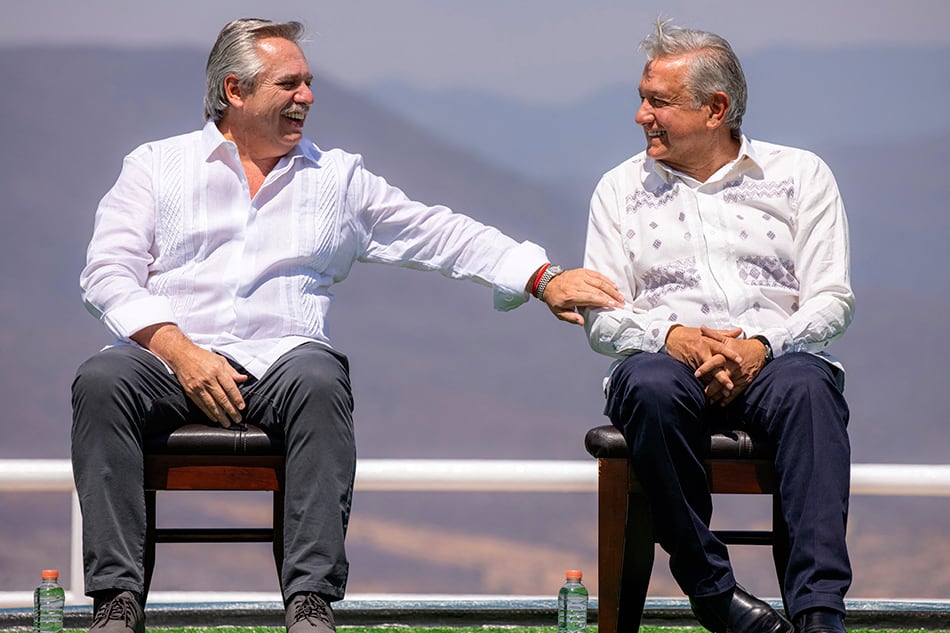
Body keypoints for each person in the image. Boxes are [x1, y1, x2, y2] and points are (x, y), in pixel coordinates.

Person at [70, 17, 623, 633]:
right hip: (166, 361)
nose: (307, 96)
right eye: (289, 84)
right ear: (235, 91)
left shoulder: (336, 179)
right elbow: (107, 273)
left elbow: (437, 232)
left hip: (283, 364)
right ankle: (116, 601)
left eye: (308, 82)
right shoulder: (155, 167)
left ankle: (310, 602)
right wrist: (177, 348)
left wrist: (540, 277)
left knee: (320, 379)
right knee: (101, 380)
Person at [581, 19, 854, 633]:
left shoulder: (800, 175)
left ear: (716, 109)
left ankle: (819, 615)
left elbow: (832, 301)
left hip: (776, 361)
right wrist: (672, 339)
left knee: (811, 390)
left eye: (658, 102)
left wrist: (761, 346)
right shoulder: (618, 190)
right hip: (664, 364)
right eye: (642, 98)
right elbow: (602, 318)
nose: (641, 116)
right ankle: (712, 593)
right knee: (648, 385)